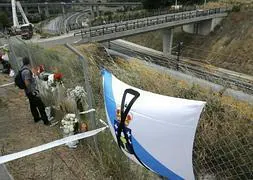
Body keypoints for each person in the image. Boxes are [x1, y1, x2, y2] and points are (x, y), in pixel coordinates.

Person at [21, 57, 51, 126]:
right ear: (29, 62)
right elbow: (27, 82)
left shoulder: (23, 69)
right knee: (40, 105)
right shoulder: (26, 71)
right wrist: (33, 91)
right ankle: (46, 121)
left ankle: (36, 118)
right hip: (31, 92)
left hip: (28, 92)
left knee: (32, 105)